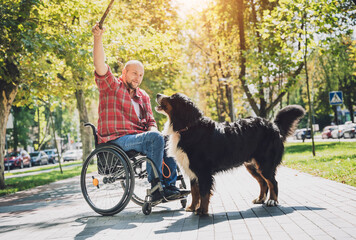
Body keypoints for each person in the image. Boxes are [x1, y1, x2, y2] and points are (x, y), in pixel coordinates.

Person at [92, 23, 189, 203]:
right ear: (124, 73)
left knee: (167, 138)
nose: (138, 78)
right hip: (116, 139)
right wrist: (98, 37)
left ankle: (170, 186)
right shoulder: (112, 86)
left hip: (138, 138)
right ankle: (155, 188)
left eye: (141, 75)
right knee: (154, 139)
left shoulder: (143, 96)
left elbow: (151, 121)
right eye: (134, 73)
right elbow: (99, 64)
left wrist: (153, 129)